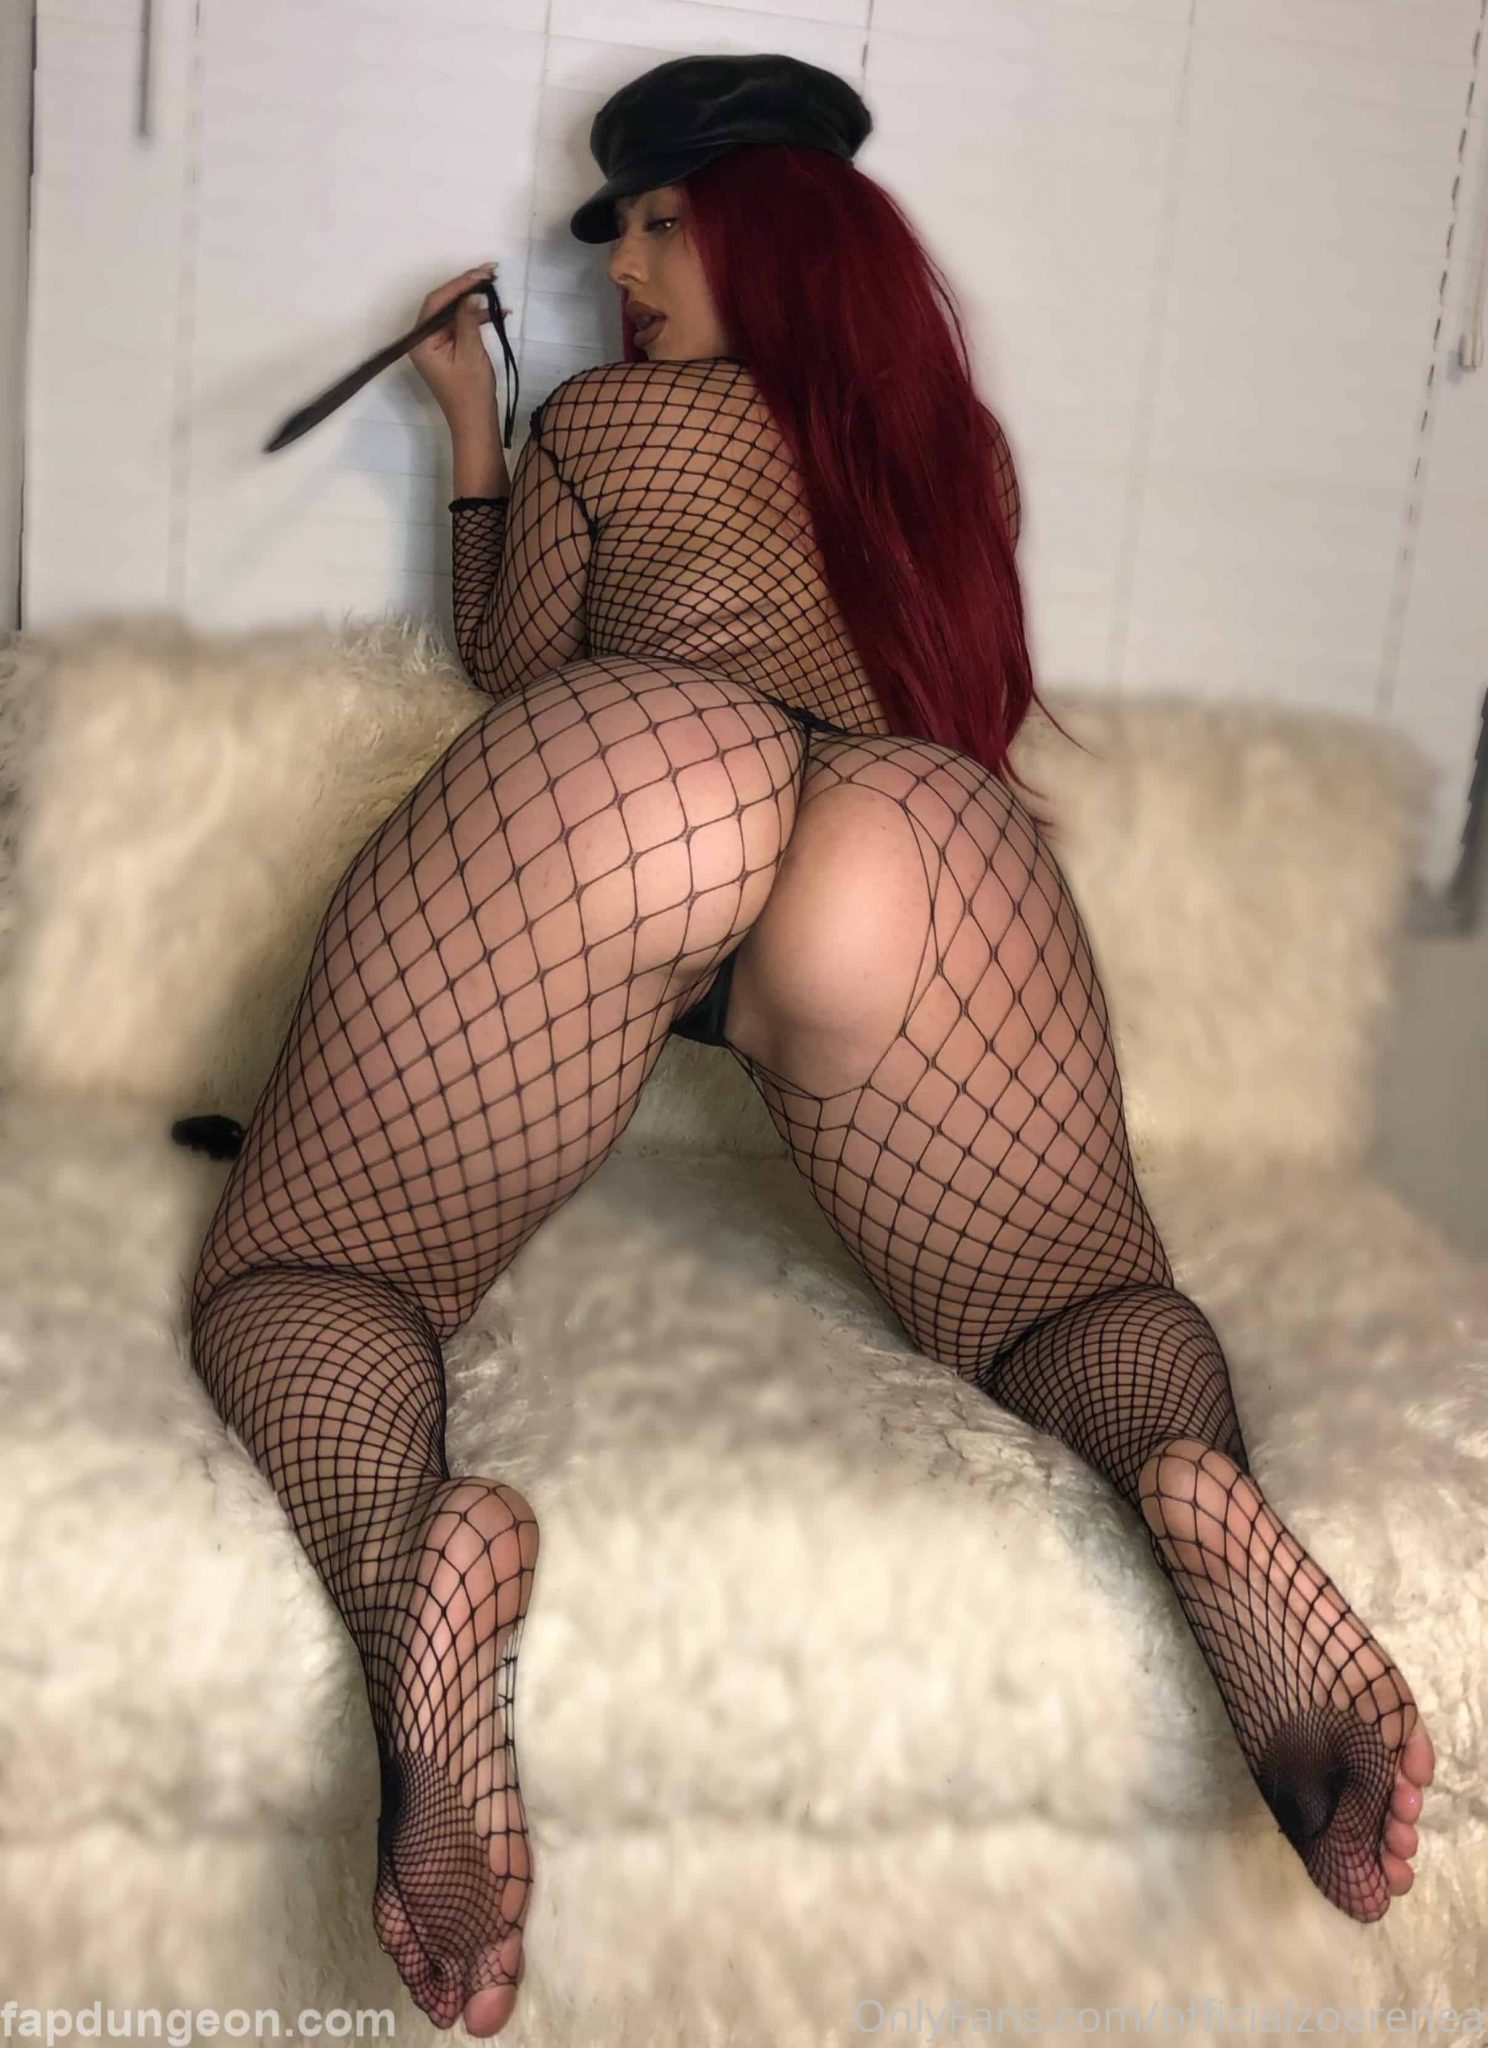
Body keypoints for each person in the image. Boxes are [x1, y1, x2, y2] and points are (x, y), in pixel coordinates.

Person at [183, 51, 1434, 2041]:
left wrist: (477, 432)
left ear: (779, 236)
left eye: (665, 224)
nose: (624, 271)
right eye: (618, 234)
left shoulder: (610, 423)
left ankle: (408, 1560)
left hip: (647, 774)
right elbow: (964, 697)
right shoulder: (953, 451)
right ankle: (1176, 1471)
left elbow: (512, 663)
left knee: (312, 1266)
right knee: (1076, 1297)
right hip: (912, 836)